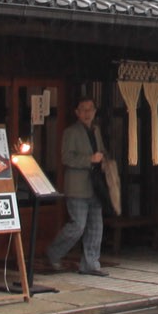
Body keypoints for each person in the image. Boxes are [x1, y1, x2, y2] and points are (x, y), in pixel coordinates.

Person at [44, 97, 107, 276]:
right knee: (78, 225)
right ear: (77, 113)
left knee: (96, 226)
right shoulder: (71, 132)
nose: (87, 113)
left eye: (90, 109)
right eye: (83, 109)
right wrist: (89, 159)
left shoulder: (96, 130)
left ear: (95, 112)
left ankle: (91, 264)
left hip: (95, 184)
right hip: (77, 186)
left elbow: (101, 152)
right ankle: (54, 253)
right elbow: (66, 158)